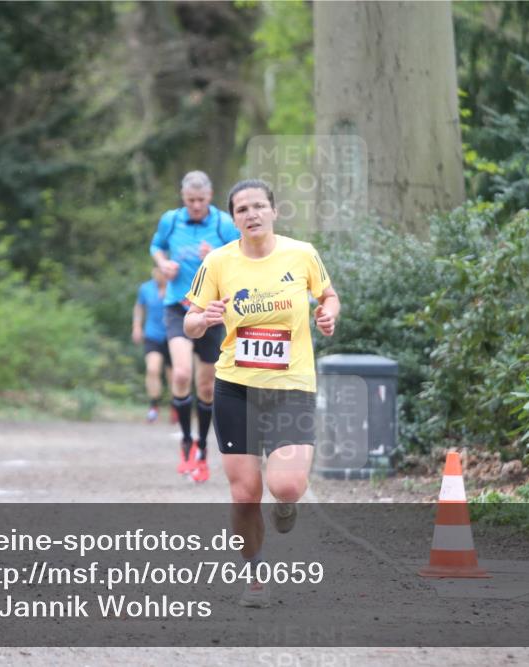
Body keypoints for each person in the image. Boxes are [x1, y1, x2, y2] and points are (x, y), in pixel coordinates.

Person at [184, 179, 339, 607]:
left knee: (286, 486)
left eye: (258, 206)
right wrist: (204, 319)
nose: (251, 214)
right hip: (236, 388)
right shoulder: (218, 262)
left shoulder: (302, 253)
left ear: (273, 210)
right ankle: (254, 576)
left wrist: (327, 314)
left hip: (290, 386)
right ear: (232, 218)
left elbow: (328, 296)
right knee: (245, 492)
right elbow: (190, 321)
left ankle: (287, 505)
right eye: (241, 210)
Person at [150, 171, 240, 483]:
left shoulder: (223, 224)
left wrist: (215, 256)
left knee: (205, 386)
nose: (196, 206)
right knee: (181, 373)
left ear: (211, 195)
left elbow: (242, 256)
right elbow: (156, 247)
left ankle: (202, 447)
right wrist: (163, 264)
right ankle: (186, 443)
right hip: (178, 303)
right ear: (183, 196)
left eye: (201, 200)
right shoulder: (171, 220)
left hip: (213, 309)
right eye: (191, 201)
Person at [132, 267, 173, 422]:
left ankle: (175, 405)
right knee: (152, 368)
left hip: (172, 336)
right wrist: (136, 326)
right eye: (156, 271)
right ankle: (154, 406)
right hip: (152, 334)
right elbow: (139, 307)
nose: (158, 275)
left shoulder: (175, 287)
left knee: (173, 376)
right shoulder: (146, 288)